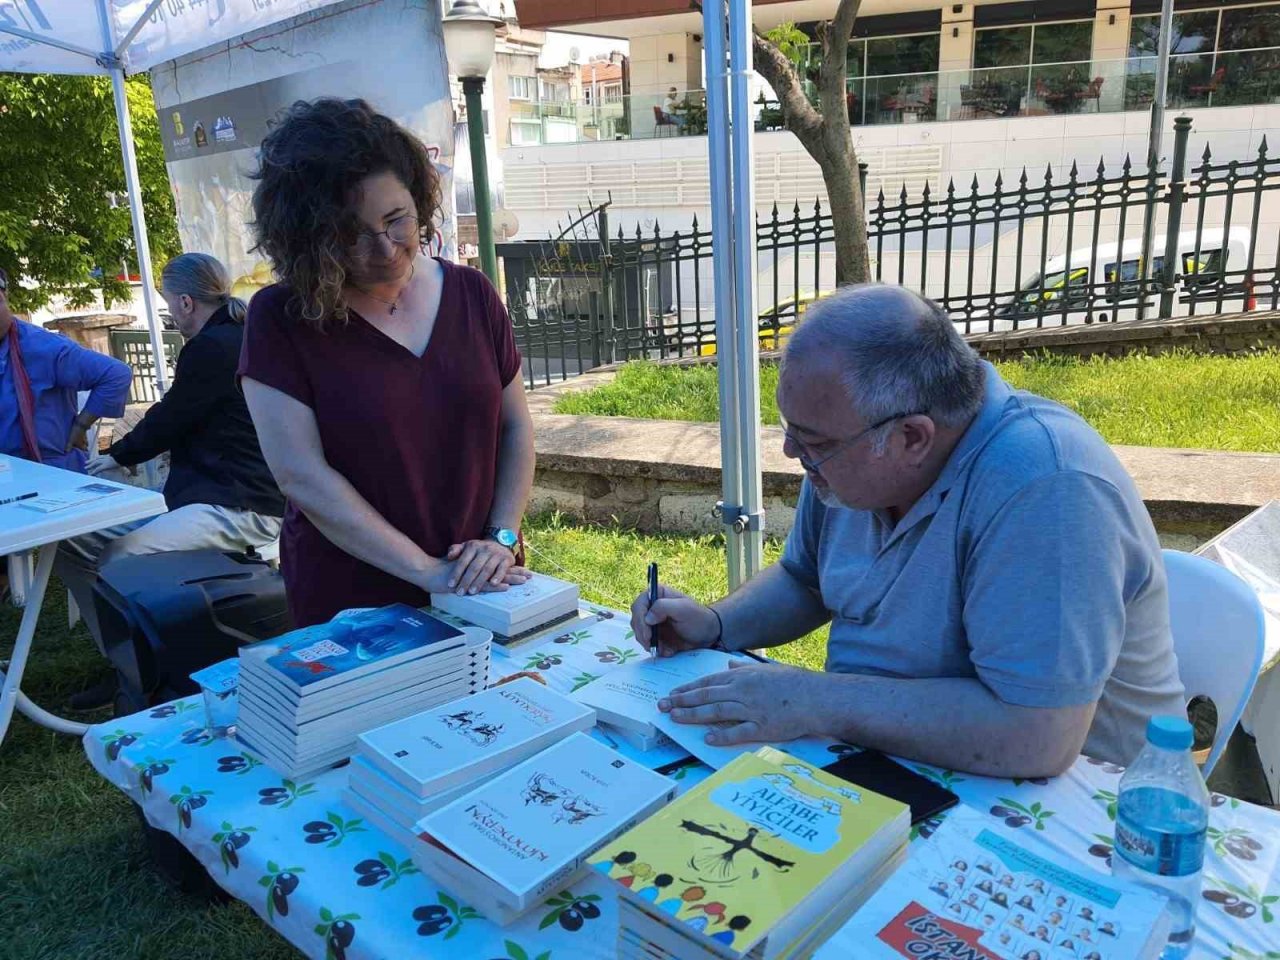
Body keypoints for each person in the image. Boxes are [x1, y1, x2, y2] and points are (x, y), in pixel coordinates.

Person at [631, 285, 1185, 777]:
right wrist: (717, 624)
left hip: (1081, 810)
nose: (792, 453)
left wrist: (815, 699)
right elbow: (806, 581)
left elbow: (1036, 736)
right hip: (894, 759)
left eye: (815, 442)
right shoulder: (856, 450)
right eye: (791, 430)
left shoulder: (1048, 488)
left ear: (913, 438)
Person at [239, 98, 535, 626]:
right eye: (350, 235)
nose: (386, 248)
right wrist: (423, 570)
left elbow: (515, 428)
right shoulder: (280, 318)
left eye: (398, 219)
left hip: (486, 583)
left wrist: (502, 538)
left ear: (420, 199)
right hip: (352, 600)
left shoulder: (472, 292)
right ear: (309, 239)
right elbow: (302, 476)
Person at [56, 253, 285, 708]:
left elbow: (171, 416)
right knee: (72, 540)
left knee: (121, 556)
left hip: (243, 507)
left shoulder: (215, 347)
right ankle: (125, 661)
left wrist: (117, 456)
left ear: (184, 302)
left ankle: (139, 678)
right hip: (220, 496)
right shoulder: (232, 339)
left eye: (167, 304)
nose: (169, 315)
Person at [0, 266, 132, 471]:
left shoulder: (43, 347)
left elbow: (116, 374)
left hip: (51, 471)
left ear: (5, 297)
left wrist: (81, 426)